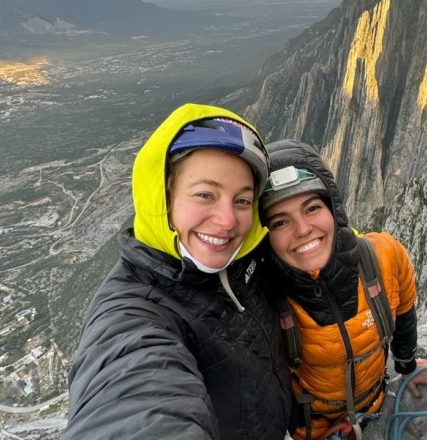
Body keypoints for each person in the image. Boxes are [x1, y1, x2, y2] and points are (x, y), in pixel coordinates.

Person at [64, 103, 293, 440]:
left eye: (242, 200)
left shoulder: (247, 261)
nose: (227, 220)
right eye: (205, 194)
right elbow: (134, 396)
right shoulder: (133, 313)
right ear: (163, 195)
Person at [259, 139, 427, 440]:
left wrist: (407, 366)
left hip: (376, 406)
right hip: (312, 430)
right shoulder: (264, 297)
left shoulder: (383, 256)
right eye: (280, 221)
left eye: (311, 207)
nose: (303, 229)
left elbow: (405, 309)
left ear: (333, 208)